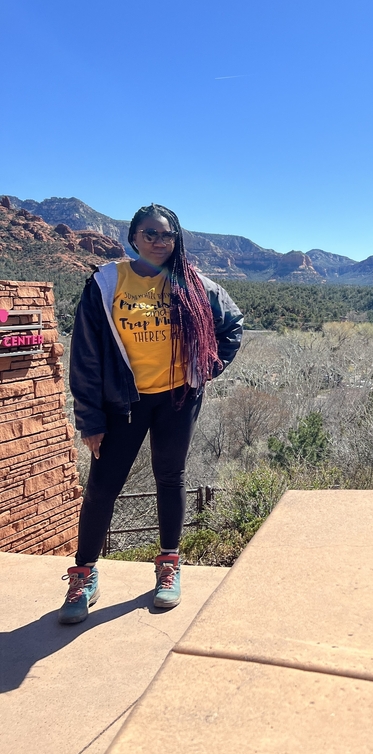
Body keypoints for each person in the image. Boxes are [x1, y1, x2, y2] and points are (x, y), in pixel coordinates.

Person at [59, 203, 243, 624]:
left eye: (167, 234)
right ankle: (84, 575)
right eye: (150, 234)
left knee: (170, 476)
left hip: (178, 398)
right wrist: (89, 418)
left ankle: (168, 565)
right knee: (102, 487)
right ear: (133, 238)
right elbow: (85, 356)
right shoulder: (107, 282)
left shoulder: (192, 282)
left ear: (176, 240)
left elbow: (232, 325)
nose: (159, 241)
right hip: (123, 402)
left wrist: (207, 366)